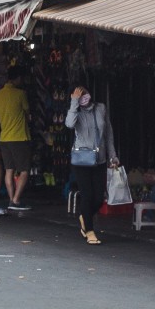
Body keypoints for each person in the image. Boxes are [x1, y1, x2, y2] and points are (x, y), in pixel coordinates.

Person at [64, 83, 119, 244]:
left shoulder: (101, 108)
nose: (83, 96)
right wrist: (74, 103)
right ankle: (89, 231)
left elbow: (108, 133)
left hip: (99, 159)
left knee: (99, 198)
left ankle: (85, 216)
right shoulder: (75, 112)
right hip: (82, 160)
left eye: (85, 92)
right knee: (87, 195)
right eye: (79, 94)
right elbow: (69, 124)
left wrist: (113, 156)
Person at [0, 64, 34, 213]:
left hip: (4, 138)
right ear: (18, 78)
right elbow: (27, 113)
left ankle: (11, 199)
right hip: (19, 137)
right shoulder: (20, 94)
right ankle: (16, 200)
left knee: (9, 170)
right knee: (24, 170)